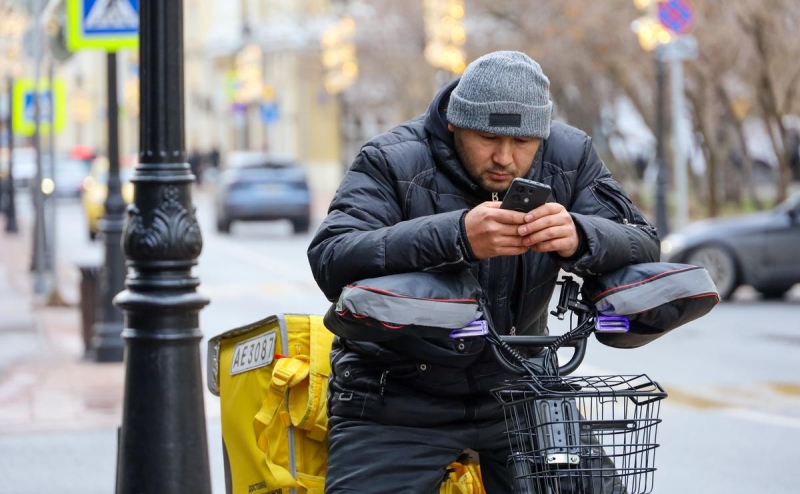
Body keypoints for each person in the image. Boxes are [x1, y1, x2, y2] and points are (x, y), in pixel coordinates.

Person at [307, 51, 659, 493]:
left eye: (524, 143)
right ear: (454, 121)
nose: (505, 159)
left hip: (521, 386)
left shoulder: (570, 154)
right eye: (488, 138)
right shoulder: (391, 159)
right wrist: (456, 236)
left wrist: (582, 235)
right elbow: (331, 257)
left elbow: (642, 238)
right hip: (396, 394)